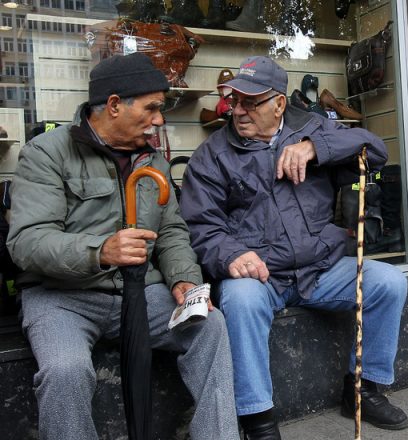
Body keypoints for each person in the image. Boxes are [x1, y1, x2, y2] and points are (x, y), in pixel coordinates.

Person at [6, 53, 238, 439]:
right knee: (65, 369)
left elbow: (172, 232)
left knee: (210, 326)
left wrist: (183, 280)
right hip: (63, 296)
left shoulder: (152, 159)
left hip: (140, 291)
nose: (159, 120)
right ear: (114, 105)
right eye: (152, 109)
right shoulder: (47, 153)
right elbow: (27, 241)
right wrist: (100, 251)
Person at [179, 56, 408, 439]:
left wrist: (317, 147)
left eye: (250, 102)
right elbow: (201, 226)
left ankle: (362, 391)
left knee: (388, 282)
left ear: (279, 104)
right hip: (262, 274)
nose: (238, 110)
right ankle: (258, 420)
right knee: (240, 301)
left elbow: (374, 150)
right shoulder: (213, 155)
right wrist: (232, 254)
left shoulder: (313, 127)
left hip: (319, 268)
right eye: (234, 100)